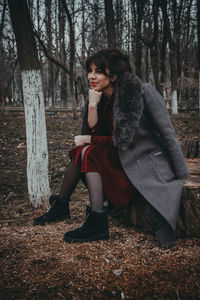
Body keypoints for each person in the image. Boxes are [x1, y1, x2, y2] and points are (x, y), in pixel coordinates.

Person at [34, 48, 189, 247]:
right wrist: (91, 106)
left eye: (98, 71)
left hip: (140, 168)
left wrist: (180, 172)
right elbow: (95, 134)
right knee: (83, 151)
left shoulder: (142, 93)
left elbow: (167, 133)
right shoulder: (97, 98)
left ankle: (96, 220)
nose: (91, 76)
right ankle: (64, 206)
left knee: (88, 150)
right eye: (90, 70)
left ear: (113, 75)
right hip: (117, 163)